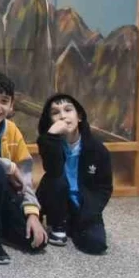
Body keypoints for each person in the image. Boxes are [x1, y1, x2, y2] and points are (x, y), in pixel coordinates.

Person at [0, 70, 47, 262]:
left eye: (4, 101)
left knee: (35, 242)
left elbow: (25, 174)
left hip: (2, 194)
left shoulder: (12, 130)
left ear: (11, 105)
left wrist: (32, 213)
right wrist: (10, 167)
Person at [37, 92, 112, 255]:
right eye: (55, 113)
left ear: (79, 116)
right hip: (57, 198)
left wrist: (89, 214)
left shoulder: (98, 149)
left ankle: (73, 223)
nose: (62, 116)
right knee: (55, 176)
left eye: (68, 110)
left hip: (85, 206)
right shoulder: (50, 144)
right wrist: (51, 135)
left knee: (96, 244)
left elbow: (104, 188)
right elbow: (52, 170)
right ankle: (58, 224)